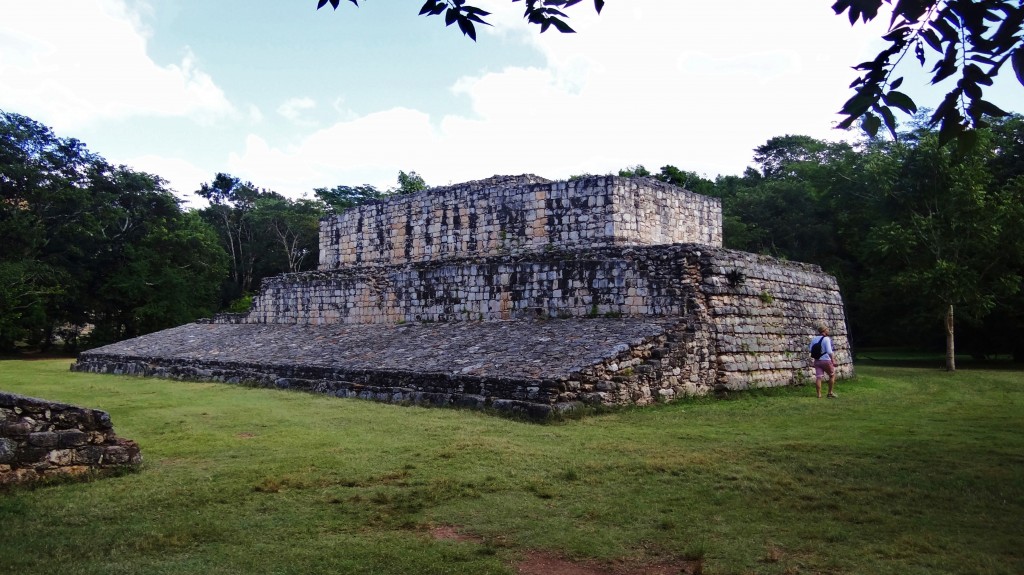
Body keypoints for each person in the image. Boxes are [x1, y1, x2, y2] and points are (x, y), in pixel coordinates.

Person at [810, 325, 837, 399]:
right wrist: (833, 360)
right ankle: (830, 393)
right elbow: (829, 351)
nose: (828, 331)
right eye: (827, 329)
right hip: (826, 361)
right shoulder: (826, 339)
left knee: (819, 377)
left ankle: (819, 395)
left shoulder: (814, 339)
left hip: (817, 361)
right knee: (832, 375)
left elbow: (810, 350)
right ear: (824, 331)